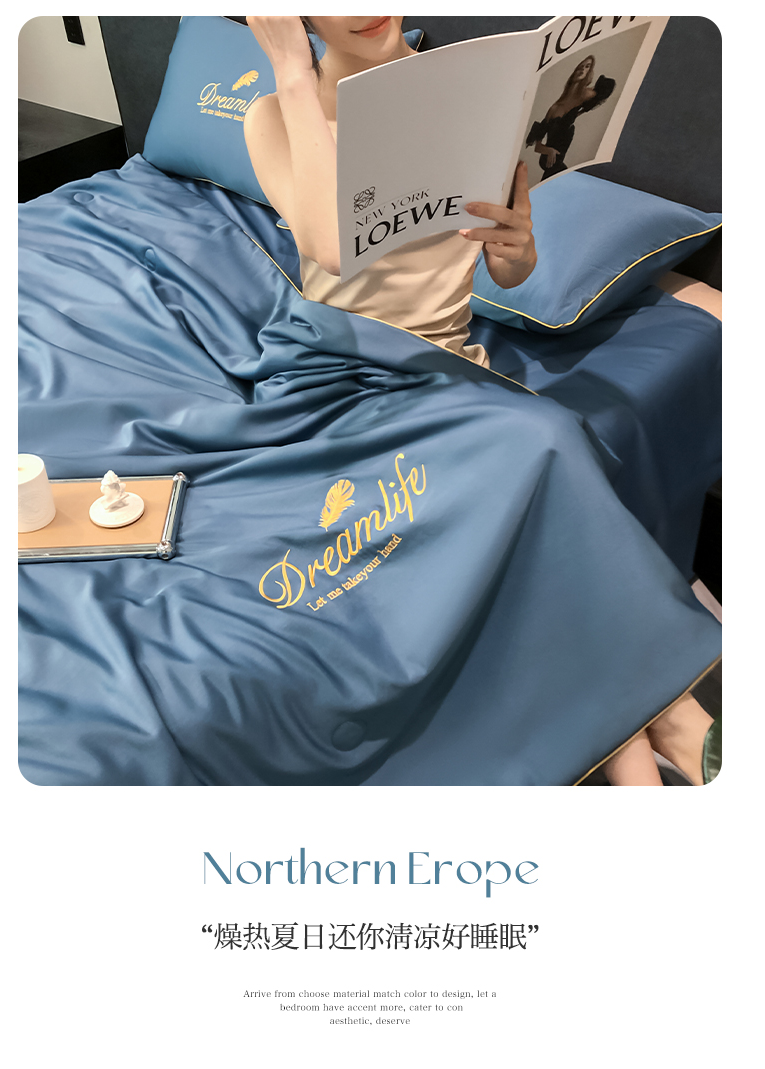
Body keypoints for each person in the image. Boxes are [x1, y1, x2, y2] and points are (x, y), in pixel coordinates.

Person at [244, 16, 717, 786]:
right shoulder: (274, 113)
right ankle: (668, 722)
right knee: (544, 439)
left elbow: (507, 275)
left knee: (536, 447)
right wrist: (293, 70)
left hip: (446, 366)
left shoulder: (474, 97)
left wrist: (517, 246)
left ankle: (643, 741)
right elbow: (333, 242)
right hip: (336, 373)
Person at [526, 55, 615, 179]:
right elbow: (537, 147)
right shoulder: (554, 108)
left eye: (587, 67)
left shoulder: (585, 95)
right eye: (580, 66)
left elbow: (603, 93)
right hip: (549, 164)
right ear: (574, 71)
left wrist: (580, 112)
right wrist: (550, 150)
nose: (582, 69)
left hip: (557, 168)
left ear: (589, 72)